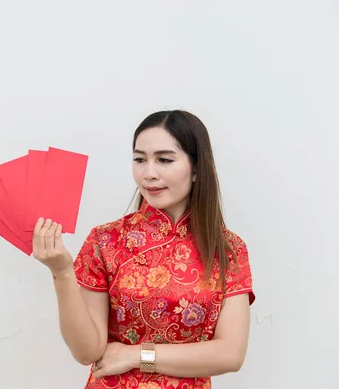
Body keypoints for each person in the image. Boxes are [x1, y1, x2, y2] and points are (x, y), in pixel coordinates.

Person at [32, 110, 255, 388]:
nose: (149, 173)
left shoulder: (228, 248)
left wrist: (135, 355)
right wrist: (62, 272)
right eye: (140, 160)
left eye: (164, 159)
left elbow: (230, 355)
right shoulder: (107, 240)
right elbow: (87, 351)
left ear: (197, 169)